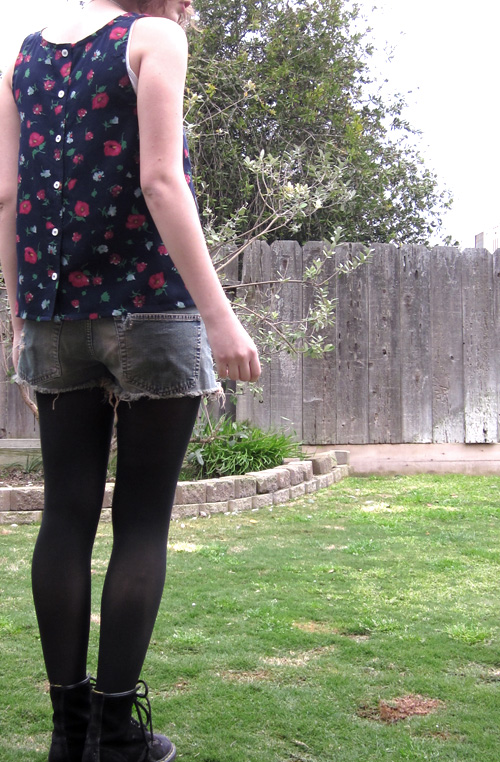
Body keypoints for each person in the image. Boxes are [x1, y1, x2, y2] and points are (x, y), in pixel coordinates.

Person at [0, 0, 261, 760]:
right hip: (152, 310)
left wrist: (20, 320)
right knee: (141, 524)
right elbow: (161, 181)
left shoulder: (21, 58)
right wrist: (220, 319)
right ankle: (115, 738)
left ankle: (67, 735)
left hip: (54, 316)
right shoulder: (153, 38)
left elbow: (8, 196)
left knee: (64, 517)